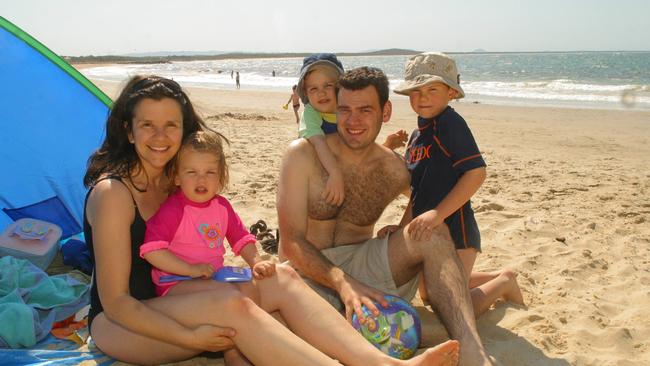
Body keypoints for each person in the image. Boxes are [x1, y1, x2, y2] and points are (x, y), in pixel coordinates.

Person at [83, 74, 459, 365]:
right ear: (129, 131)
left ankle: (378, 361)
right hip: (124, 325)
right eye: (147, 125)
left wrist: (250, 265)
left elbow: (226, 232)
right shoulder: (114, 195)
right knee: (236, 307)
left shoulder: (176, 180)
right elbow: (117, 303)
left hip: (183, 301)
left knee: (281, 275)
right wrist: (192, 339)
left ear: (185, 131)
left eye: (171, 125)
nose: (160, 136)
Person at [277, 66, 492, 365]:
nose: (353, 121)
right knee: (279, 326)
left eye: (365, 110)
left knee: (429, 231)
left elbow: (434, 194)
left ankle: (474, 353)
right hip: (309, 273)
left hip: (370, 264)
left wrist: (405, 225)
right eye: (345, 110)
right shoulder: (302, 155)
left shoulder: (395, 168)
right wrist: (343, 283)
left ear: (386, 111)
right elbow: (291, 244)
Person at [382, 52, 524, 317]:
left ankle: (505, 282)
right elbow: (418, 193)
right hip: (428, 233)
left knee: (451, 309)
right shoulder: (417, 136)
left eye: (432, 89)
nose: (422, 97)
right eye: (416, 91)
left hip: (456, 230)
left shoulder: (450, 123)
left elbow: (476, 173)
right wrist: (401, 229)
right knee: (427, 294)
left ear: (450, 93)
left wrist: (437, 214)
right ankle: (498, 276)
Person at [140, 130, 276, 365]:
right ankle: (238, 352)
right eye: (191, 172)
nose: (201, 180)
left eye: (209, 173)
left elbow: (241, 237)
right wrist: (189, 269)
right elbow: (152, 251)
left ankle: (240, 345)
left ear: (221, 177)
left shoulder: (221, 206)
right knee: (231, 297)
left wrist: (256, 261)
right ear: (177, 177)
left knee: (251, 288)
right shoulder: (174, 210)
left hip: (211, 278)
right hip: (175, 284)